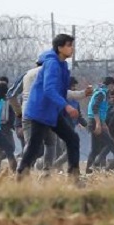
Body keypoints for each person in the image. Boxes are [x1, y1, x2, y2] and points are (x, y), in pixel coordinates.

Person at [17, 33, 82, 180]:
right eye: (69, 45)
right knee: (35, 146)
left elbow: (60, 90)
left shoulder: (62, 65)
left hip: (50, 110)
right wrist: (66, 106)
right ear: (60, 48)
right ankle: (21, 174)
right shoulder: (52, 64)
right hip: (41, 110)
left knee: (72, 139)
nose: (72, 48)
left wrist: (82, 94)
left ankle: (74, 177)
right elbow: (49, 89)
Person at [85, 76, 114, 173]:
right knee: (110, 143)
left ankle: (88, 170)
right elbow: (95, 108)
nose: (113, 88)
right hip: (95, 121)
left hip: (94, 120)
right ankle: (96, 163)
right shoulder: (102, 94)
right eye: (113, 86)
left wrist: (103, 123)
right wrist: (98, 124)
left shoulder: (99, 91)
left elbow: (100, 109)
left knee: (95, 149)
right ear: (110, 84)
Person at [0, 82, 18, 172]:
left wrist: (11, 124)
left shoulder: (6, 99)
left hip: (4, 126)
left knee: (10, 147)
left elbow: (11, 112)